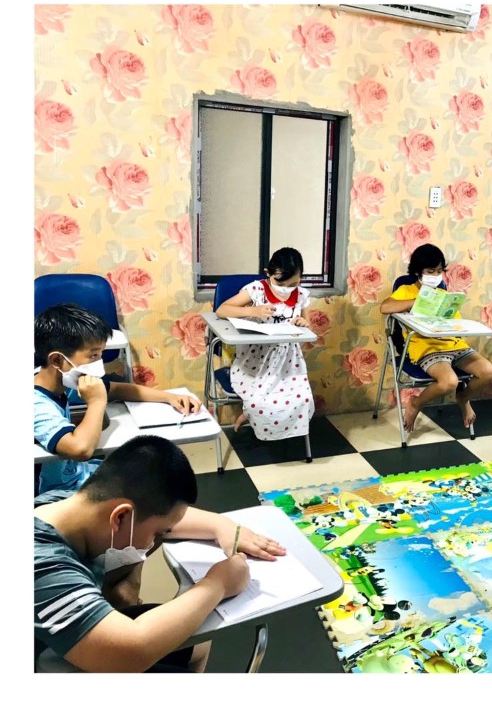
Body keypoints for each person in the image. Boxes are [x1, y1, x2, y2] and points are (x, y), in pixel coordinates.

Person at [34, 435, 286, 672]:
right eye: (157, 533)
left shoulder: (71, 503)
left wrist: (223, 526)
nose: (156, 540)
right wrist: (217, 584)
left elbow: (165, 517)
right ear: (120, 517)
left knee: (197, 641)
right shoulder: (42, 565)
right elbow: (129, 652)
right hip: (46, 651)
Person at [35, 303, 203, 496]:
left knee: (157, 476)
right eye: (93, 355)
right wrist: (97, 402)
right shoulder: (36, 404)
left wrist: (170, 397)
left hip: (76, 474)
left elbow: (117, 390)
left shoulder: (61, 380)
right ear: (57, 360)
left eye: (100, 354)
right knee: (149, 494)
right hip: (55, 493)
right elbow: (81, 449)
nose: (99, 363)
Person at [379, 243, 492, 432]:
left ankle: (463, 398)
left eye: (439, 271)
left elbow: (456, 324)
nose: (435, 276)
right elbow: (385, 307)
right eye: (430, 271)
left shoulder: (443, 294)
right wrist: (416, 301)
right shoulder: (406, 290)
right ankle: (415, 403)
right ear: (418, 272)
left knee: (488, 371)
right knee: (450, 382)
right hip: (426, 348)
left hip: (453, 344)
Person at [215, 246, 314, 439]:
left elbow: (307, 324)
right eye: (280, 283)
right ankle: (250, 413)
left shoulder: (301, 295)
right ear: (268, 273)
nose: (286, 289)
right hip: (256, 358)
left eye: (293, 283)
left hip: (289, 359)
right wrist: (253, 311)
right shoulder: (257, 289)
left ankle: (260, 419)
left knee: (302, 399)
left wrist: (303, 323)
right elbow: (222, 310)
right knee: (258, 401)